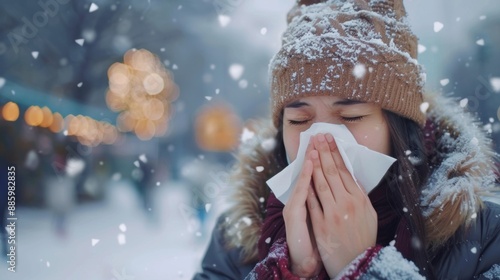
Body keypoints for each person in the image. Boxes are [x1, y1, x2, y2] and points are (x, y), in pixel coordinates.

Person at [193, 0, 500, 279]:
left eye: (351, 116)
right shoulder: (236, 239)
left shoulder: (483, 235)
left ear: (399, 129)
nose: (322, 140)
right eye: (299, 120)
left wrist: (363, 267)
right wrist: (290, 271)